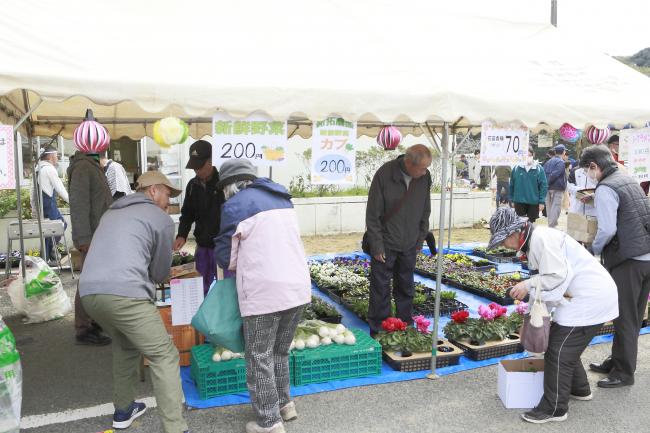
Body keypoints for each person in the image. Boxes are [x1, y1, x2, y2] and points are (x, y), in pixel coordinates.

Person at [79, 171, 189, 433]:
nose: (168, 202)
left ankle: (123, 410)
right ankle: (175, 428)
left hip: (89, 293)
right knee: (164, 355)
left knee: (125, 345)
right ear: (153, 191)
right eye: (167, 194)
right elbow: (160, 272)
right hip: (126, 294)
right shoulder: (160, 219)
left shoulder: (111, 212)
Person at [488, 207, 618, 424]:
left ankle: (554, 408)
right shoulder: (535, 239)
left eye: (502, 241)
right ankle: (580, 389)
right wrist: (531, 315)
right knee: (563, 344)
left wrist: (527, 284)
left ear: (514, 233)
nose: (503, 246)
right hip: (586, 296)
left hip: (590, 298)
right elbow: (548, 285)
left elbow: (557, 276)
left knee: (558, 351)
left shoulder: (540, 239)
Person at [214, 160, 310, 433]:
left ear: (229, 186)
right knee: (280, 351)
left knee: (258, 355)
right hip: (298, 287)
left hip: (264, 291)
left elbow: (226, 257)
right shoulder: (283, 199)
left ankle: (268, 421)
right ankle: (284, 405)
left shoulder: (234, 206)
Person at [578, 145, 650, 389]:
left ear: (594, 167)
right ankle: (618, 360)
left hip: (628, 260)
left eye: (588, 170)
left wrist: (592, 251)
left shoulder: (606, 188)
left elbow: (607, 229)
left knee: (625, 318)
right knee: (633, 315)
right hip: (645, 256)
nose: (588, 175)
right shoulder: (626, 178)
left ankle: (623, 372)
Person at [365, 144, 432, 349]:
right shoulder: (385, 174)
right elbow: (373, 215)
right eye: (421, 168)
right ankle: (379, 328)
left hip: (410, 243)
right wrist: (376, 246)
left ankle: (404, 324)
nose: (424, 172)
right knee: (380, 288)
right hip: (385, 243)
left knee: (406, 286)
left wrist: (420, 239)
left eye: (426, 168)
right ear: (409, 163)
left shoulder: (424, 178)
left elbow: (425, 210)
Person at [68, 145, 113, 346]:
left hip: (100, 235)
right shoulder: (82, 168)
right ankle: (83, 328)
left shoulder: (93, 165)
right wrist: (83, 238)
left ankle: (93, 321)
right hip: (91, 237)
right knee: (87, 282)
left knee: (97, 280)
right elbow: (79, 206)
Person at [174, 140, 224, 294]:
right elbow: (187, 213)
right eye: (194, 167)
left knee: (225, 287)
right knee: (199, 286)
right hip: (202, 245)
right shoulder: (192, 185)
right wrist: (181, 235)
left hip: (222, 247)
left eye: (200, 166)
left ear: (211, 162)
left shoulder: (224, 184)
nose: (197, 170)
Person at [30, 147, 69, 263]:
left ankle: (48, 255)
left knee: (51, 231)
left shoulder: (38, 168)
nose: (57, 158)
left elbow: (32, 191)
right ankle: (46, 258)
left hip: (42, 205)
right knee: (52, 231)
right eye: (56, 155)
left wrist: (34, 208)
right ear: (50, 156)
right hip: (49, 205)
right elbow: (60, 189)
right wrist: (72, 202)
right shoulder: (49, 169)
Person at [509, 147, 547, 223]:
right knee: (519, 224)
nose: (528, 158)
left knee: (531, 223)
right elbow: (511, 185)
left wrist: (542, 202)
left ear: (533, 155)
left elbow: (543, 186)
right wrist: (512, 199)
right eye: (526, 156)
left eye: (530, 155)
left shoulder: (539, 169)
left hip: (533, 202)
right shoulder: (517, 168)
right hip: (519, 201)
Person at [543, 144, 568, 228]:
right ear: (563, 152)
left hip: (548, 187)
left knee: (549, 206)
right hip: (557, 187)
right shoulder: (561, 162)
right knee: (556, 206)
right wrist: (548, 182)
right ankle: (552, 225)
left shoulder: (548, 161)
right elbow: (555, 174)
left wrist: (545, 184)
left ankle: (550, 224)